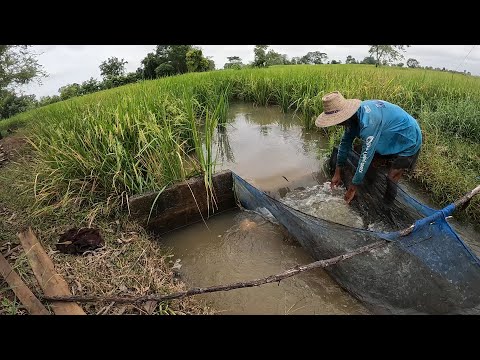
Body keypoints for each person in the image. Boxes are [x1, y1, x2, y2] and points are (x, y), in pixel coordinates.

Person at [315, 91, 422, 204]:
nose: (336, 124)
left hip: (409, 137)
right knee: (371, 162)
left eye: (336, 120)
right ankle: (369, 187)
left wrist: (352, 188)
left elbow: (365, 157)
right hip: (388, 134)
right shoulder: (352, 119)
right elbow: (344, 144)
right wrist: (337, 173)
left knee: (392, 177)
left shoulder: (368, 123)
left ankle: (386, 205)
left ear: (345, 115)